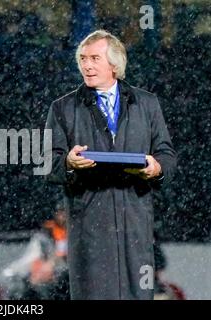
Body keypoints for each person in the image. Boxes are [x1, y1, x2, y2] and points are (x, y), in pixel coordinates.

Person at [45, 30, 177, 299]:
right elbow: (48, 164)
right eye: (83, 58)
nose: (87, 65)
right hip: (90, 225)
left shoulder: (147, 104)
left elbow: (166, 154)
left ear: (114, 64)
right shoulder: (63, 108)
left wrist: (157, 168)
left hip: (135, 225)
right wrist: (69, 163)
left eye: (95, 58)